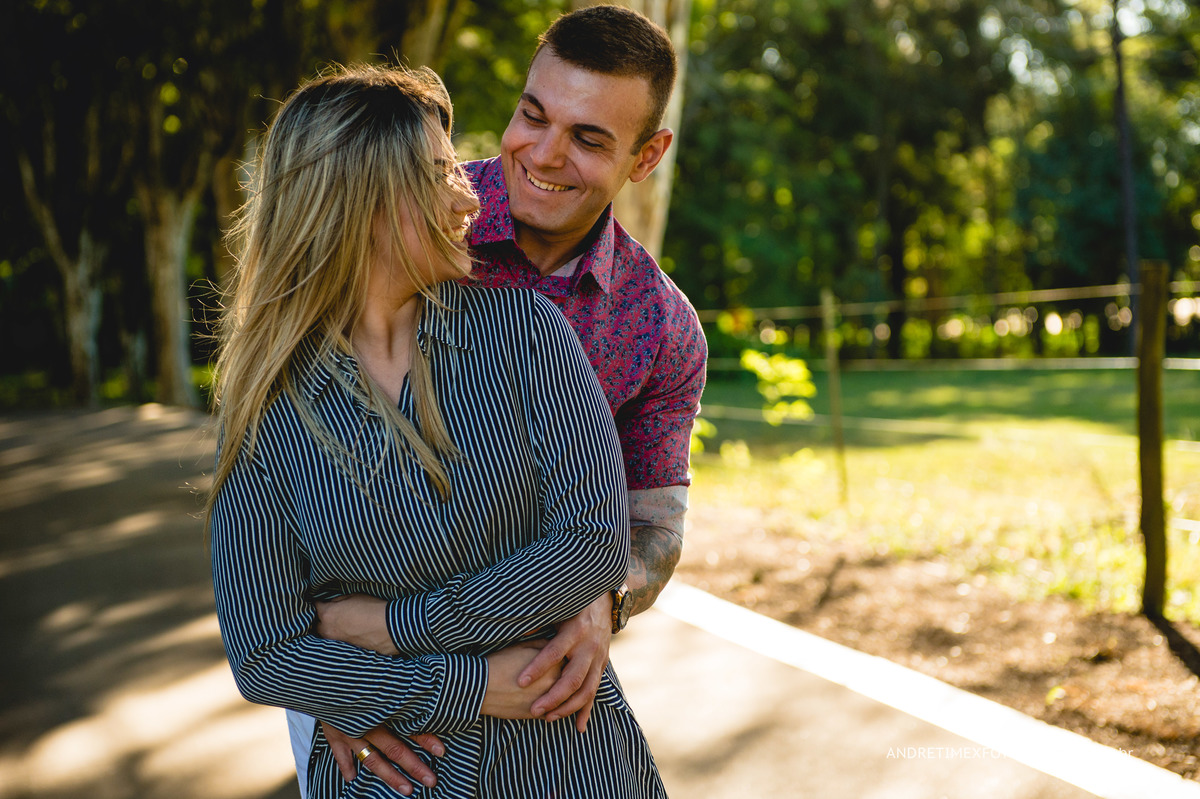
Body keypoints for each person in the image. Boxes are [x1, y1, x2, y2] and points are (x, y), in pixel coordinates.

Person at [207, 63, 668, 798]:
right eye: (437, 174)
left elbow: (591, 545)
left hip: (571, 762)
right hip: (394, 780)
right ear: (359, 199)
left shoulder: (525, 334)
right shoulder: (267, 406)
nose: (469, 197)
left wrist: (393, 630)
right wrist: (471, 686)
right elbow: (267, 655)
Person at [307, 5, 707, 794]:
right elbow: (280, 441)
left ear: (647, 155)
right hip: (353, 654)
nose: (544, 154)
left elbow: (653, 520)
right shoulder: (399, 208)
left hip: (525, 673)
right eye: (533, 115)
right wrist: (327, 671)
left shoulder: (660, 326)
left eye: (588, 138)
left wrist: (601, 598)